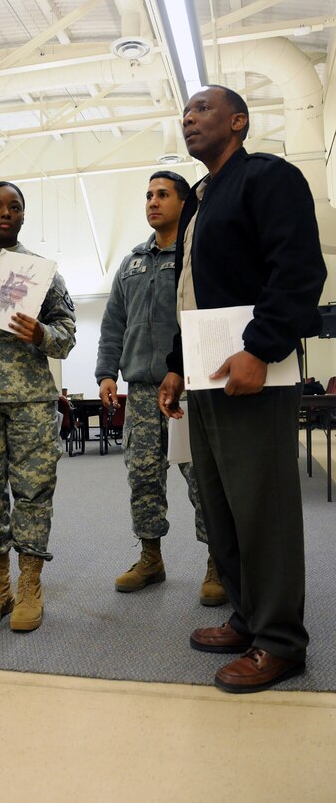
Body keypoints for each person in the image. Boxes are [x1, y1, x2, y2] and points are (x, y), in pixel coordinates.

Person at [159, 85, 327, 693]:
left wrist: (261, 347)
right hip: (205, 373)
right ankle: (248, 617)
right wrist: (176, 365)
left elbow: (301, 268)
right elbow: (191, 289)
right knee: (222, 504)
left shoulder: (268, 177)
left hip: (253, 369)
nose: (188, 119)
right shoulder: (201, 199)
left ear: (239, 121)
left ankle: (281, 642)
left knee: (264, 509)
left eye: (202, 109)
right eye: (184, 113)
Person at [95, 171, 226, 606]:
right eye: (149, 195)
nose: (153, 201)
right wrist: (106, 373)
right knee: (143, 478)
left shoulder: (198, 255)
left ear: (185, 202)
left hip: (188, 390)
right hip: (142, 389)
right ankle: (151, 558)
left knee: (202, 479)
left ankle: (218, 564)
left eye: (163, 194)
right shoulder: (131, 263)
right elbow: (113, 323)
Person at [0, 181, 76, 632]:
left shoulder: (40, 271)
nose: (5, 213)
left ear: (24, 215)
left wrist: (41, 335)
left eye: (14, 206)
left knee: (34, 492)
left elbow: (67, 331)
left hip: (31, 398)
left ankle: (30, 584)